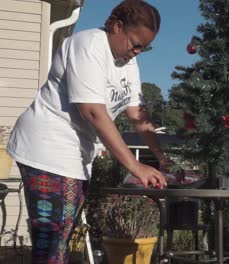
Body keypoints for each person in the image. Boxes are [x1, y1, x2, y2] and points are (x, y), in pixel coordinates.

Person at [6, 1, 169, 263]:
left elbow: (137, 113)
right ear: (116, 27)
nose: (137, 52)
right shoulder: (89, 45)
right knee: (50, 239)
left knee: (63, 236)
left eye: (144, 47)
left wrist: (161, 157)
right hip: (46, 145)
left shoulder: (127, 62)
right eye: (135, 43)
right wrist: (136, 167)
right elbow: (92, 111)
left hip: (76, 153)